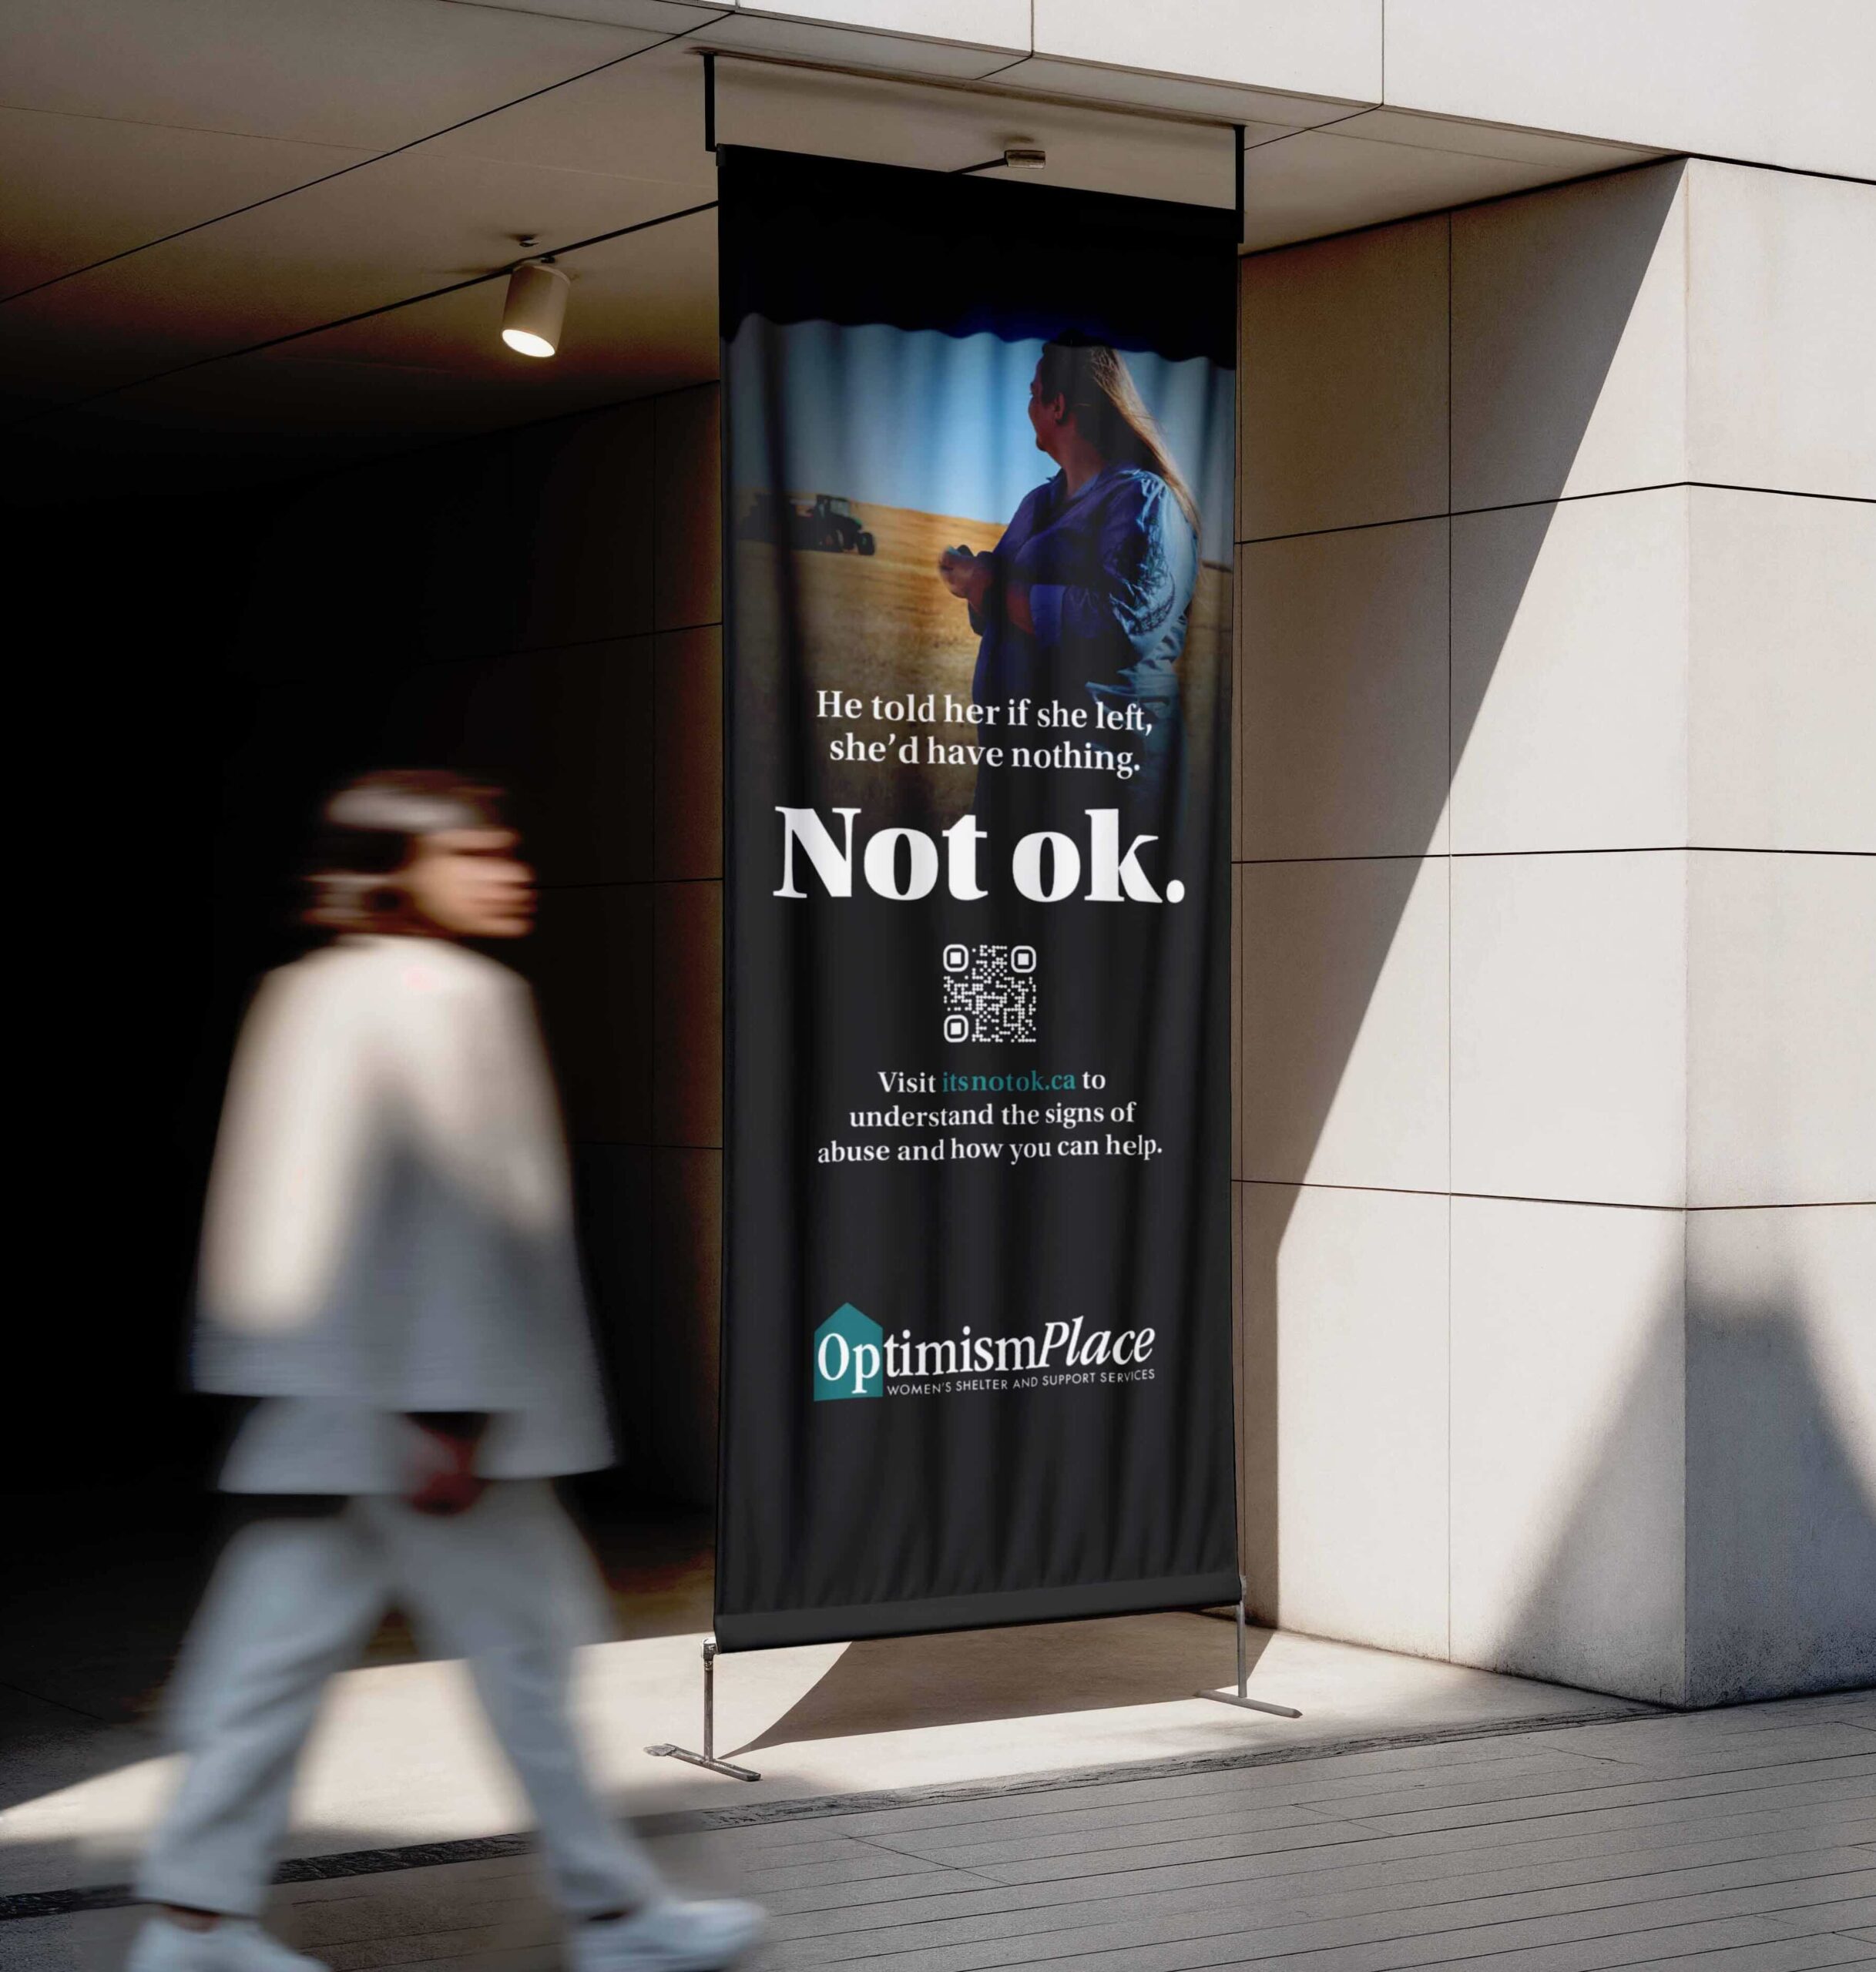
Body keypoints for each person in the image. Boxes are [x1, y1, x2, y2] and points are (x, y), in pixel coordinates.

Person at [128, 772, 763, 1972]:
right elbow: (454, 1211)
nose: (506, 872)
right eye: (472, 853)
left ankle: (193, 1923)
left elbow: (288, 1216)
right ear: (394, 871)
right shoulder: (448, 994)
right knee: (530, 1660)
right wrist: (449, 1410)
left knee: (268, 1668)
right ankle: (615, 1916)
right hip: (437, 1428)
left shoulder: (312, 989)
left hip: (333, 1414)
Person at [938, 338, 1201, 827]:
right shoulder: (1038, 503)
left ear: (1057, 406)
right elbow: (999, 612)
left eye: (1033, 393)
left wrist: (989, 586)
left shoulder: (1144, 499)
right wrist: (972, 581)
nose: (1028, 407)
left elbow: (1122, 624)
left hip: (1106, 789)